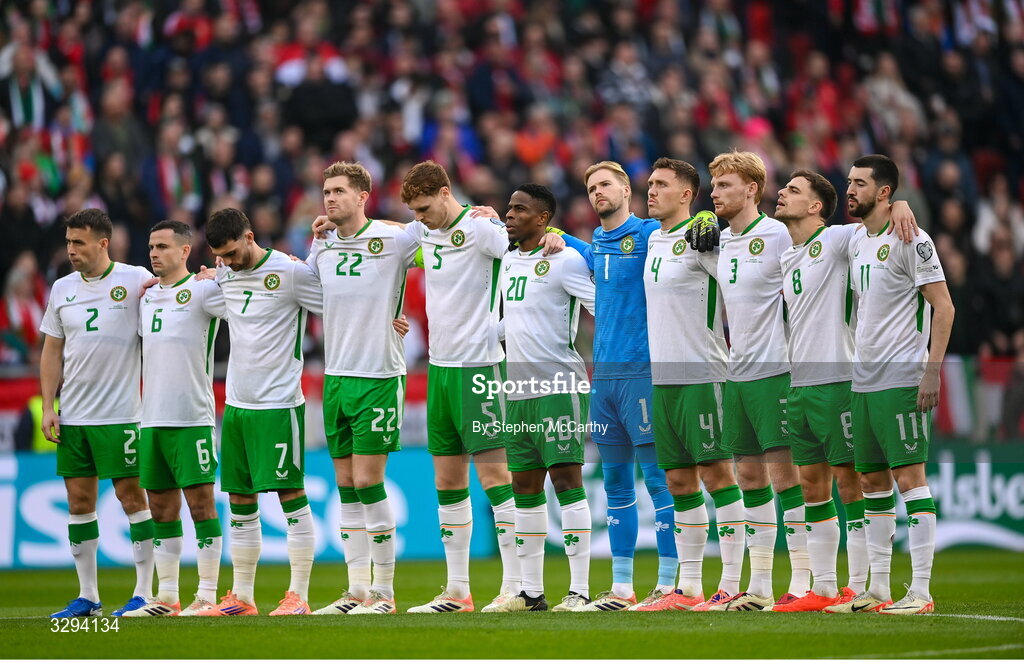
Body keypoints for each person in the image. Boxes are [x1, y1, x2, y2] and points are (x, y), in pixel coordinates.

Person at [316, 161, 564, 613]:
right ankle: (458, 590)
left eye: (426, 208)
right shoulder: (422, 232)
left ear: (447, 193)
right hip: (441, 370)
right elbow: (381, 234)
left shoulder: (485, 229)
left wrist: (558, 235)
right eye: (414, 211)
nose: (421, 217)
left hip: (482, 369)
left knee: (495, 478)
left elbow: (527, 249)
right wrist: (337, 227)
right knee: (447, 483)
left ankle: (518, 587)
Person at [561, 161, 717, 611]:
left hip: (645, 375)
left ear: (626, 189)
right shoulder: (596, 244)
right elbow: (584, 252)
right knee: (614, 485)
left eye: (605, 183)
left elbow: (689, 229)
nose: (597, 192)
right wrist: (560, 236)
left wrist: (705, 217)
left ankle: (670, 583)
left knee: (661, 480)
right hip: (604, 380)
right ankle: (622, 587)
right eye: (590, 187)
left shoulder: (650, 233)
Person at [774, 170, 915, 611]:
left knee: (851, 483)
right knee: (811, 485)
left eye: (793, 190)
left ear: (816, 206)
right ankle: (824, 588)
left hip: (839, 381)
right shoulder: (787, 256)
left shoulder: (837, 239)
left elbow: (875, 225)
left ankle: (857, 584)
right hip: (799, 385)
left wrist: (901, 205)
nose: (781, 193)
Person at [827, 154, 954, 615]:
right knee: (872, 482)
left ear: (884, 192)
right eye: (848, 181)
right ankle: (877, 588)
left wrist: (932, 370)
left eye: (859, 183)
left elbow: (944, 307)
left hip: (902, 377)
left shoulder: (911, 240)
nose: (850, 190)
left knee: (909, 479)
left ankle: (920, 592)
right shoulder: (858, 239)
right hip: (863, 382)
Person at [194, 208, 323, 616]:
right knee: (239, 500)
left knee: (290, 496)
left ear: (249, 237)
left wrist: (389, 318)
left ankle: (298, 595)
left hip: (279, 404)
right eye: (221, 256)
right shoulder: (225, 274)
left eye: (232, 253)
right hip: (236, 406)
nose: (228, 262)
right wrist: (205, 277)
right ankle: (242, 598)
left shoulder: (290, 272)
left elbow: (336, 305)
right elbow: (211, 299)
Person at [636, 158, 746, 611]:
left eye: (661, 185)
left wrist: (711, 221)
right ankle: (689, 588)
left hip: (704, 374)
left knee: (720, 477)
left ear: (687, 194)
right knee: (679, 482)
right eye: (649, 184)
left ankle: (734, 583)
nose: (651, 190)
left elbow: (742, 283)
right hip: (663, 381)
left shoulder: (705, 239)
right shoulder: (652, 239)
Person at [308, 162, 417, 616]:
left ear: (361, 196)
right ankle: (355, 591)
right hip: (336, 378)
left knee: (370, 481)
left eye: (338, 191)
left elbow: (437, 228)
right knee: (346, 485)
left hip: (377, 377)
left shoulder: (394, 240)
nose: (329, 199)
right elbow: (304, 294)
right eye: (325, 191)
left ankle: (385, 593)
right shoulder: (323, 248)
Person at [40, 208, 157, 618]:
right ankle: (88, 596)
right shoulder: (61, 288)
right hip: (74, 416)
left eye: (79, 242)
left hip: (121, 415)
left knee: (131, 498)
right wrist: (48, 406)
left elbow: (173, 297)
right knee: (78, 502)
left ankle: (144, 592)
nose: (71, 250)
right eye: (69, 242)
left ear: (103, 243)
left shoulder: (136, 279)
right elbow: (53, 349)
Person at [708, 151, 808, 611]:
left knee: (788, 477)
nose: (715, 193)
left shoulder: (777, 234)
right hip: (736, 373)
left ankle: (805, 580)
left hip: (776, 370)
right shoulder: (717, 240)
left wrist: (900, 206)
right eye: (713, 185)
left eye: (725, 185)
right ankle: (761, 586)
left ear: (752, 189)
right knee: (749, 476)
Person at [492, 183, 595, 612]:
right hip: (518, 390)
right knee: (524, 486)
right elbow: (506, 324)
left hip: (559, 387)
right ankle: (530, 592)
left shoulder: (566, 261)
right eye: (509, 207)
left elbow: (603, 306)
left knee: (567, 481)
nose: (509, 214)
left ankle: (580, 591)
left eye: (520, 209)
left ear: (543, 219)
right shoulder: (508, 259)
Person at [125, 220, 226, 617]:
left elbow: (246, 298)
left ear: (185, 251)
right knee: (162, 510)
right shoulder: (145, 297)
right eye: (151, 246)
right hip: (150, 421)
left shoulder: (204, 292)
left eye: (163, 246)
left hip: (192, 419)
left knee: (202, 507)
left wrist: (220, 274)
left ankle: (206, 595)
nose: (154, 253)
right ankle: (166, 598)